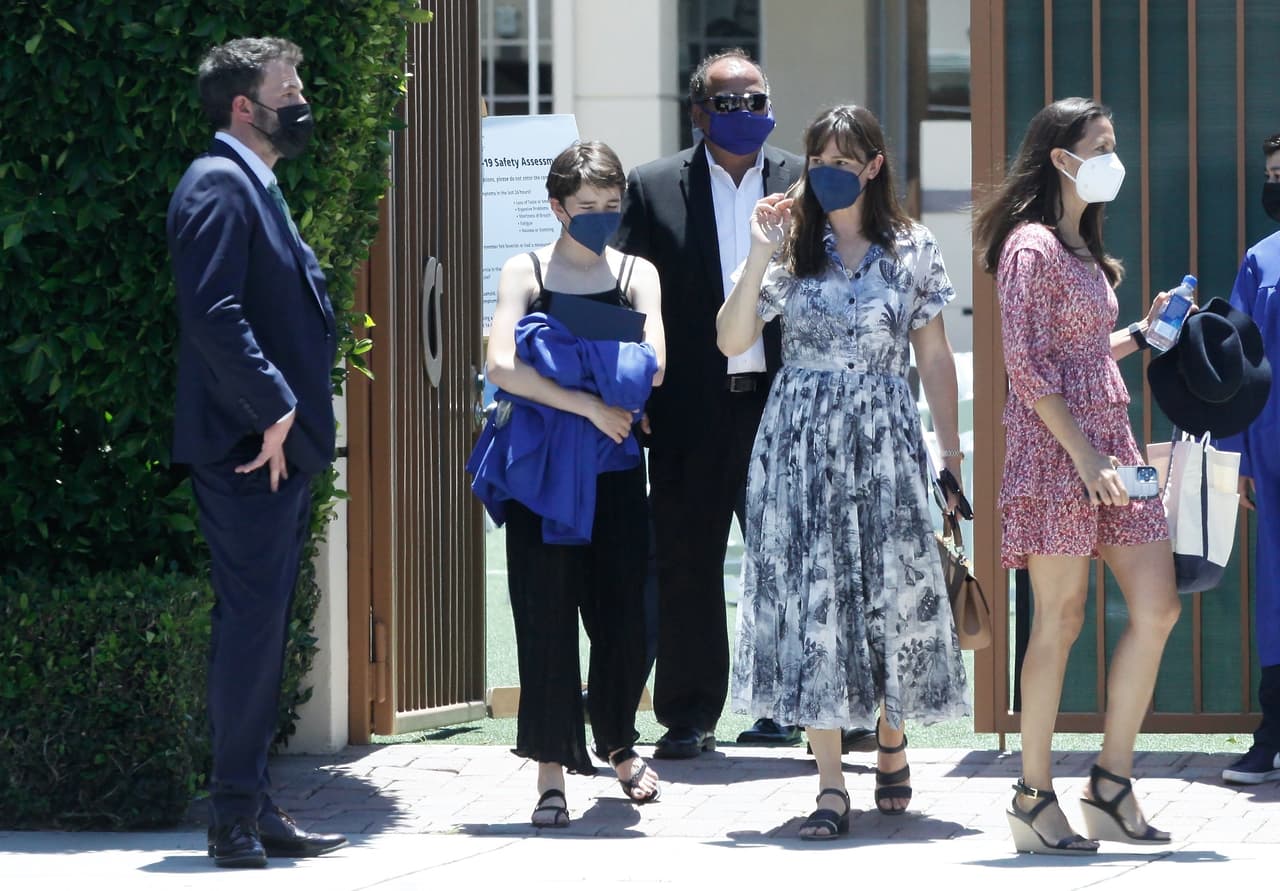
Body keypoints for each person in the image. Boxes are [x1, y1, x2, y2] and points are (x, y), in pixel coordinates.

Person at [719, 104, 971, 840]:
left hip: (888, 437)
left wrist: (948, 455)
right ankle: (829, 783)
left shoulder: (913, 246)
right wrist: (760, 251)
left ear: (873, 165)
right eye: (817, 156)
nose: (828, 169)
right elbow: (731, 336)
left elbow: (933, 355)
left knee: (889, 589)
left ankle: (892, 732)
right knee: (815, 599)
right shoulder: (791, 245)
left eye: (842, 157)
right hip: (800, 441)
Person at [973, 96, 1181, 854]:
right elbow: (1027, 368)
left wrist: (1139, 332)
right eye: (1101, 144)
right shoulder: (1029, 246)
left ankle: (1111, 781)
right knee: (1058, 621)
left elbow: (1079, 356)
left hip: (1110, 442)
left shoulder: (1079, 244)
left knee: (1156, 607)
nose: (1112, 157)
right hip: (1058, 453)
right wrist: (1085, 457)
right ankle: (1033, 795)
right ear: (1061, 157)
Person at [168, 37, 347, 868]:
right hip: (250, 450)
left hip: (275, 449)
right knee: (250, 633)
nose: (302, 96)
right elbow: (212, 313)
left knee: (265, 631)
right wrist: (273, 407)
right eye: (290, 86)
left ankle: (255, 801)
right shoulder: (217, 183)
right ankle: (232, 816)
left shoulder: (256, 185)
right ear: (246, 105)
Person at [613, 47, 807, 758]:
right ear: (698, 112)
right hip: (690, 408)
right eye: (728, 104)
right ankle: (689, 713)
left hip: (784, 404)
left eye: (756, 100)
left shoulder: (802, 181)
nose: (746, 114)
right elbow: (625, 296)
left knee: (785, 560)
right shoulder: (655, 185)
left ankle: (785, 709)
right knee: (688, 561)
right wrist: (633, 390)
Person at [474, 141, 665, 827]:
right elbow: (501, 363)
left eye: (611, 207)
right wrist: (589, 397)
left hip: (615, 476)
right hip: (543, 477)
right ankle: (552, 769)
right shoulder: (523, 269)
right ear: (556, 206)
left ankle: (616, 739)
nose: (601, 217)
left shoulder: (638, 272)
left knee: (627, 618)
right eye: (587, 208)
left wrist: (553, 353)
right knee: (546, 620)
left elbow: (652, 364)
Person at [1216, 132, 1280, 787]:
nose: (1275, 181)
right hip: (1273, 449)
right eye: (1271, 171)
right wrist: (1237, 454)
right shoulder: (1260, 260)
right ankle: (1274, 733)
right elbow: (1235, 361)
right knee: (1277, 596)